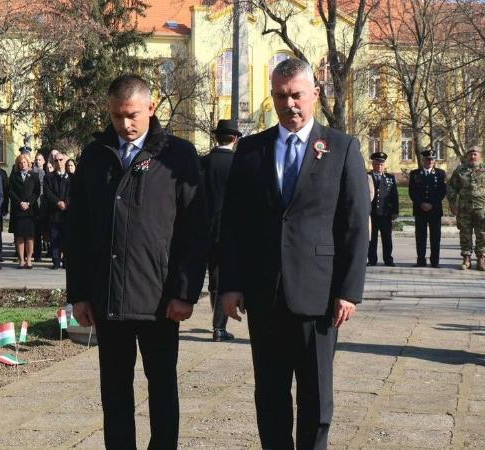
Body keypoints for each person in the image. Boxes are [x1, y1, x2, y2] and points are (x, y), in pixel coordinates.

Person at [219, 59, 369, 450]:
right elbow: (234, 223)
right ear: (273, 97)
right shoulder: (251, 150)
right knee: (269, 393)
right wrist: (230, 284)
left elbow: (354, 224)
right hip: (264, 292)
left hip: (318, 295)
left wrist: (349, 291)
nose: (290, 105)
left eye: (297, 95)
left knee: (316, 396)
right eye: (282, 96)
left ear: (314, 95)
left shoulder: (341, 148)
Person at [68, 74, 207, 449]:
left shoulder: (177, 156)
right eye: (116, 117)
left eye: (131, 115)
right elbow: (77, 228)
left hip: (160, 299)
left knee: (162, 389)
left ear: (151, 107)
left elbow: (195, 229)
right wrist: (79, 294)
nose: (125, 125)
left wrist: (186, 292)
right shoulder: (95, 156)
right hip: (107, 297)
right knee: (114, 393)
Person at [201, 118, 241, 342]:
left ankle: (217, 323)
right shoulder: (239, 163)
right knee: (225, 278)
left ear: (217, 137)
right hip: (230, 230)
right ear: (235, 138)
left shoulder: (203, 162)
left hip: (205, 228)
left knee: (214, 276)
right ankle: (219, 326)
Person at [448, 146, 485, 271]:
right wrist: (452, 204)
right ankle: (466, 258)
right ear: (467, 156)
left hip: (482, 209)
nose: (473, 156)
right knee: (465, 233)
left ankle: (481, 258)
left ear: (480, 156)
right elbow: (452, 188)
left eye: (475, 154)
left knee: (482, 233)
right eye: (470, 154)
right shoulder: (460, 171)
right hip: (464, 209)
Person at [408, 150, 448, 268]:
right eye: (427, 159)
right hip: (420, 210)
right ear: (423, 160)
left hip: (435, 210)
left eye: (432, 159)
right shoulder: (415, 173)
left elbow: (442, 191)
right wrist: (421, 204)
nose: (429, 161)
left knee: (435, 236)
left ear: (434, 161)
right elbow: (412, 191)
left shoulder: (440, 174)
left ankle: (435, 261)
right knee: (420, 236)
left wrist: (431, 204)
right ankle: (421, 260)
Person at [8, 153, 40, 269]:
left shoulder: (34, 176)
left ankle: (29, 259)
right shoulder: (14, 176)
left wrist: (28, 203)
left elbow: (37, 192)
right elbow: (11, 192)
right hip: (19, 209)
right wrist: (20, 202)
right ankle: (21, 259)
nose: (23, 164)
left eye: (24, 162)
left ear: (28, 163)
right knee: (20, 236)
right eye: (20, 163)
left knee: (30, 236)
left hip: (30, 210)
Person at [367, 152, 398, 266]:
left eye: (381, 164)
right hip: (372, 213)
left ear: (384, 165)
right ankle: (372, 260)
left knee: (387, 238)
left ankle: (388, 259)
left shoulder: (390, 178)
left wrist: (395, 211)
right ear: (373, 164)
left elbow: (394, 195)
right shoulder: (367, 176)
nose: (379, 166)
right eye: (377, 164)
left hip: (385, 214)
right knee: (372, 239)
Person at [43, 152, 69, 269]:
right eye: (56, 161)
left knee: (67, 238)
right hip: (54, 211)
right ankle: (56, 261)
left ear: (64, 161)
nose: (59, 162)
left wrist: (67, 203)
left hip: (68, 212)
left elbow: (74, 192)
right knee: (55, 237)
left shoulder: (71, 177)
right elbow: (47, 193)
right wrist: (58, 202)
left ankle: (66, 260)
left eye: (61, 160)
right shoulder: (48, 177)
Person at [32, 151, 48, 263]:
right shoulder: (32, 173)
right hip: (34, 202)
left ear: (44, 161)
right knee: (34, 230)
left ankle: (40, 252)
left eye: (40, 159)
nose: (38, 161)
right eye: (36, 160)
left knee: (41, 230)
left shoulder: (46, 173)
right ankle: (34, 253)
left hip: (43, 203)